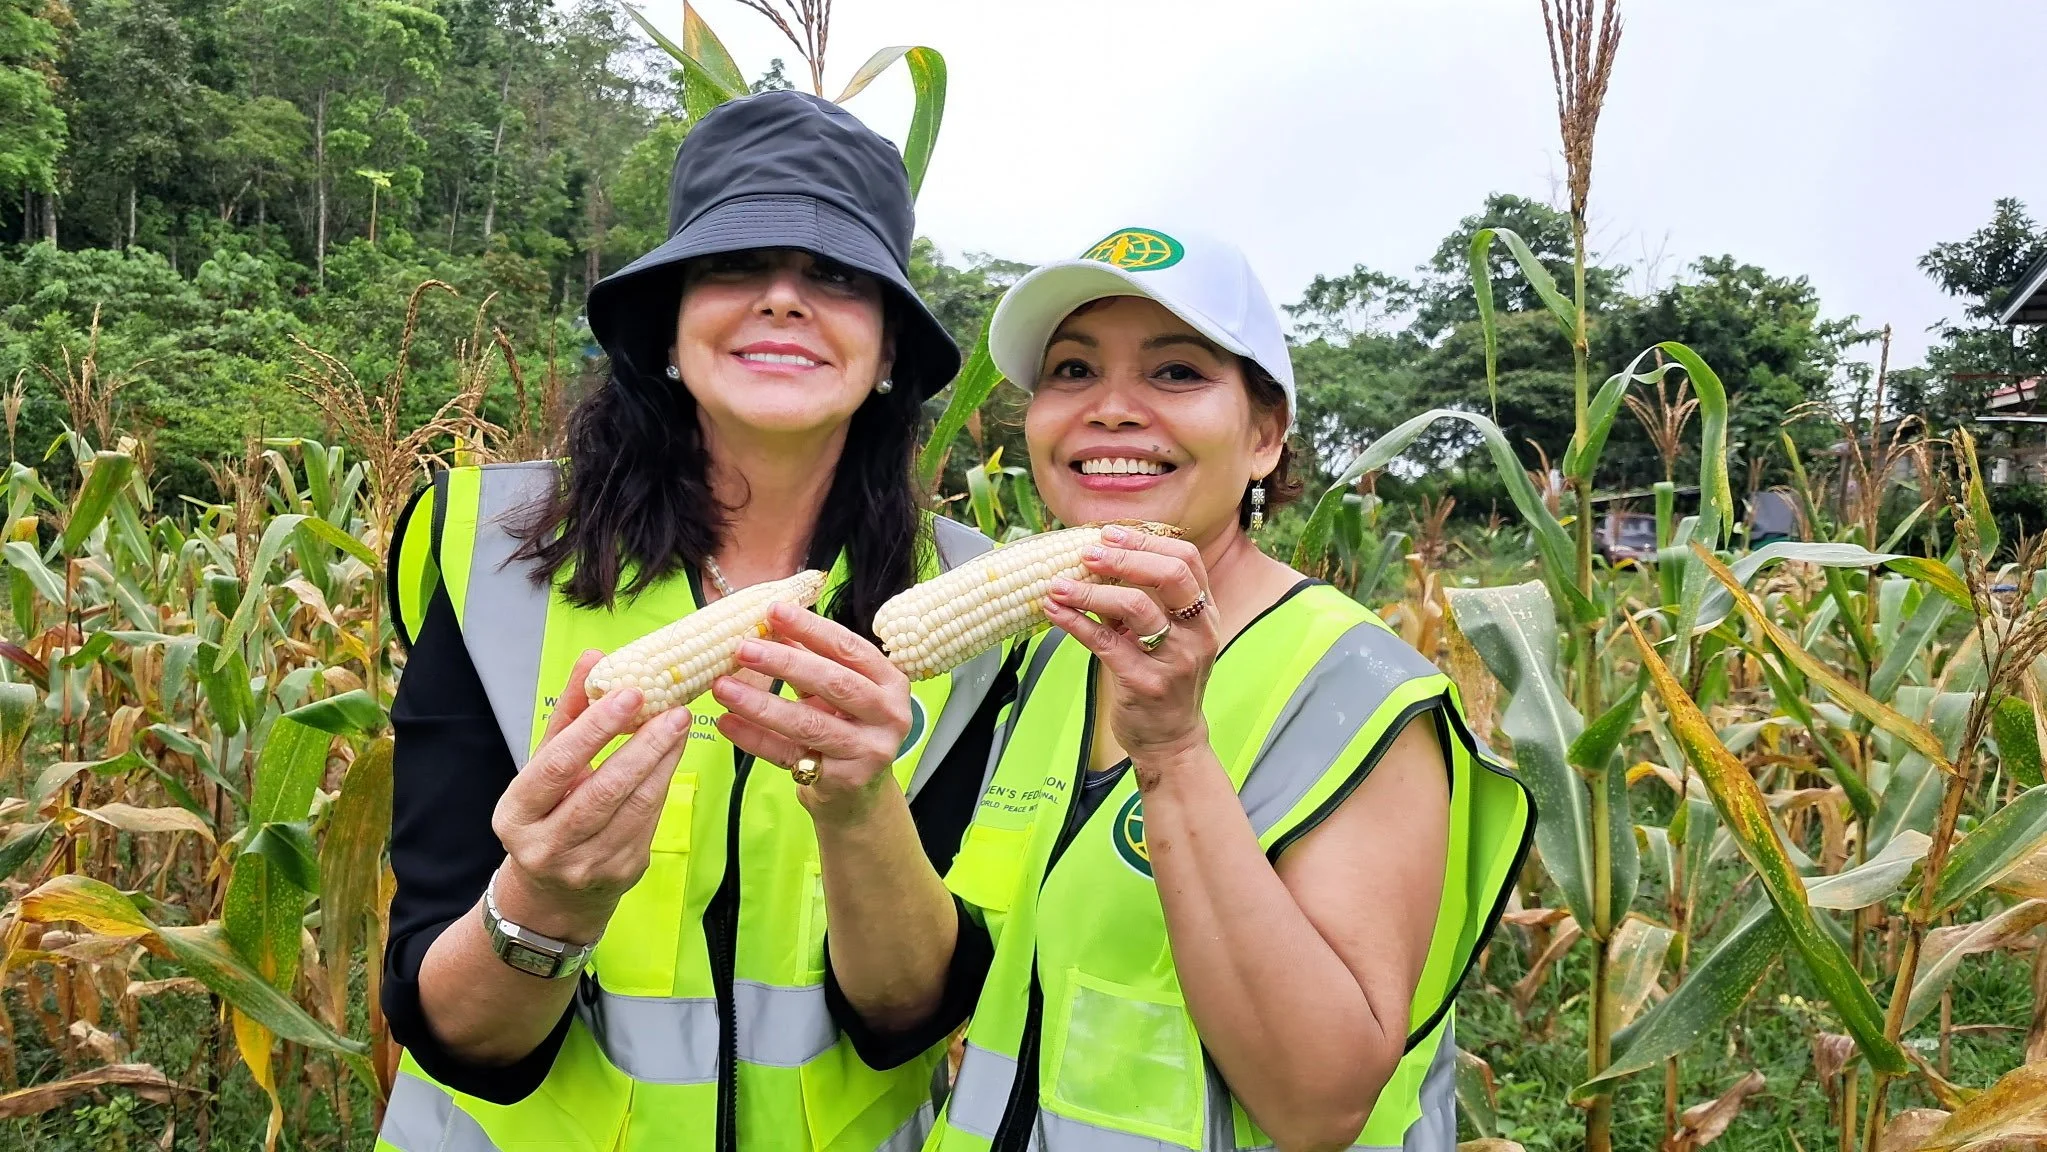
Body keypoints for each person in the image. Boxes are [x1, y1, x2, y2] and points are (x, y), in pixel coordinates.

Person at [373, 90, 1018, 1152]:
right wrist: (546, 900)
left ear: (892, 348)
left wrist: (862, 816)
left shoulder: (971, 601)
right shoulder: (482, 550)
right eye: (732, 266)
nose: (780, 299)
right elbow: (450, 1029)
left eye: (837, 276)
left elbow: (912, 1017)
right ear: (668, 328)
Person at [823, 227, 1536, 1150]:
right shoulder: (1046, 657)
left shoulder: (1357, 690)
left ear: (1264, 437)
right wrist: (850, 798)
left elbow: (1319, 1106)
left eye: (1175, 373)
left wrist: (1172, 753)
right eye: (1072, 371)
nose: (1110, 410)